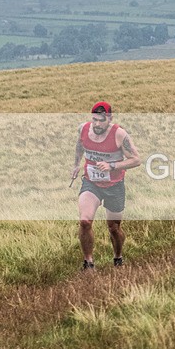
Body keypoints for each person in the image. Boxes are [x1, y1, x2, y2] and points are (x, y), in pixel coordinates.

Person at [71, 102, 141, 270]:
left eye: (101, 120)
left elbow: (136, 160)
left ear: (109, 118)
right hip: (91, 182)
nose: (97, 124)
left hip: (114, 186)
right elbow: (80, 146)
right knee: (85, 221)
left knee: (114, 228)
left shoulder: (119, 135)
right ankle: (88, 263)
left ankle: (118, 257)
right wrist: (76, 164)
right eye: (94, 119)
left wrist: (112, 166)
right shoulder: (83, 129)